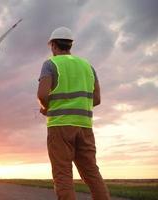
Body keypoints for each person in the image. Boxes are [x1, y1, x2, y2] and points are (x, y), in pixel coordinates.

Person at [37, 27, 110, 200]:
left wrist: (47, 109)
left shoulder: (50, 64)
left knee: (62, 174)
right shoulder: (88, 66)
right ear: (70, 45)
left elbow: (42, 94)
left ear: (53, 45)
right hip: (84, 126)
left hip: (60, 126)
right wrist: (78, 106)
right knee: (91, 172)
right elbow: (97, 98)